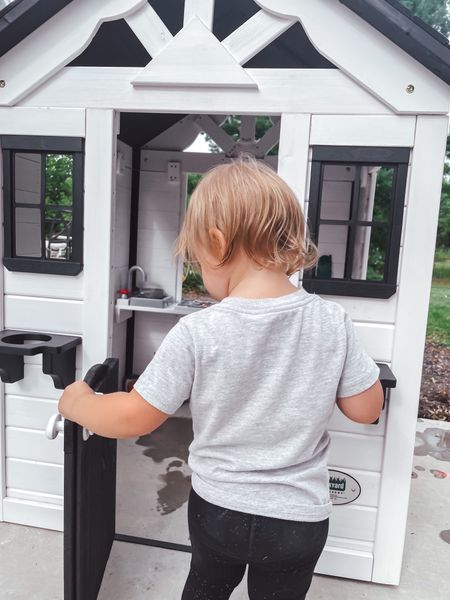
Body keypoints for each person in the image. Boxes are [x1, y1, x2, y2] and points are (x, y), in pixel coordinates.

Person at [58, 155, 384, 600]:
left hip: (220, 511)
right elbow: (366, 410)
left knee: (207, 587)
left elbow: (134, 418)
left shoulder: (199, 330)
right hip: (299, 518)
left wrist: (78, 402)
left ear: (216, 241)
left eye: (196, 257)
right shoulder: (331, 320)